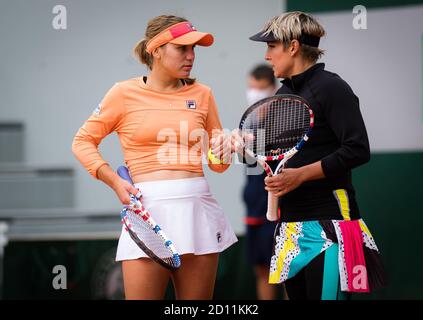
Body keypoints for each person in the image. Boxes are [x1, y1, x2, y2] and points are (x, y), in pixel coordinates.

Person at [219, 11, 387, 300]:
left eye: (272, 46)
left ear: (293, 47)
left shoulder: (332, 88)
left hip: (331, 221)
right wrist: (239, 146)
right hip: (289, 227)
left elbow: (358, 149)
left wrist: (300, 175)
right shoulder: (280, 97)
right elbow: (267, 155)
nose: (267, 55)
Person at [72, 15, 237, 300]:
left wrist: (224, 150)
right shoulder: (122, 93)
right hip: (147, 213)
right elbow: (82, 141)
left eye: (194, 48)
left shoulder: (203, 94)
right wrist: (114, 181)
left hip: (198, 209)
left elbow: (217, 165)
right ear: (156, 50)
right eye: (182, 48)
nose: (191, 56)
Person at [242, 64, 283, 300]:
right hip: (254, 205)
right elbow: (248, 165)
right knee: (263, 270)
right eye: (251, 87)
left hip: (280, 208)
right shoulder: (250, 123)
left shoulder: (285, 121)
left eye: (260, 88)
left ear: (272, 88)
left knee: (287, 271)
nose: (254, 93)